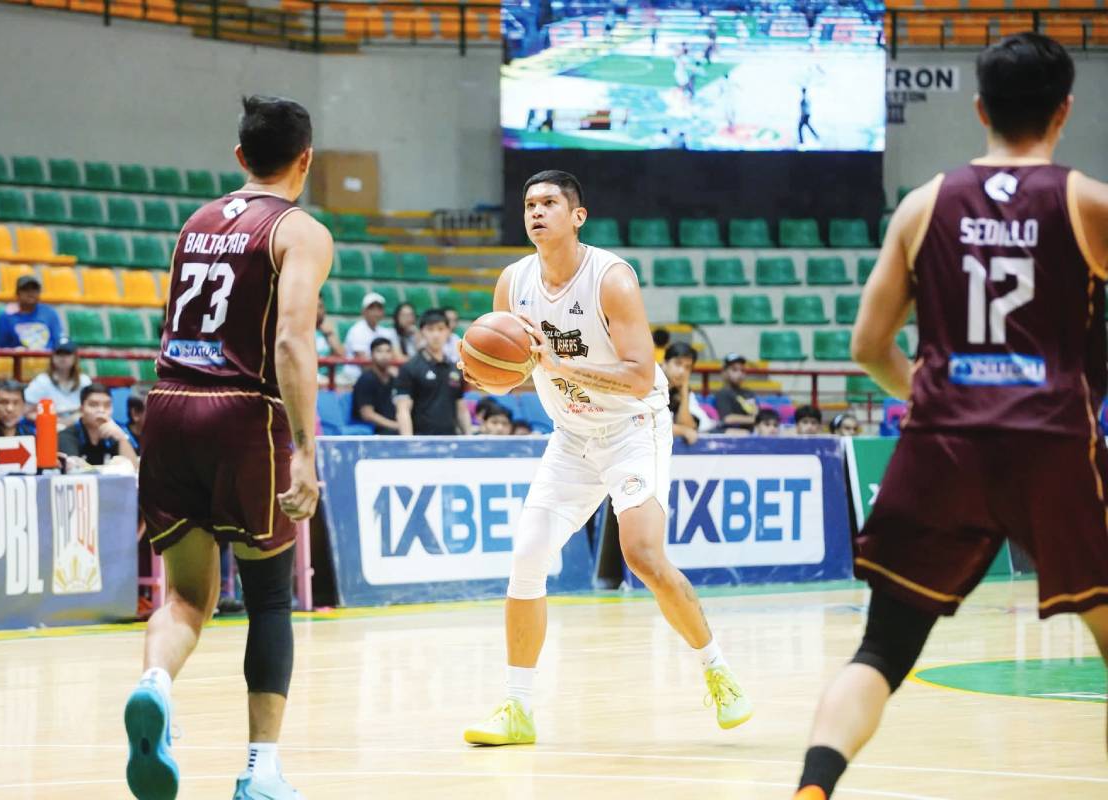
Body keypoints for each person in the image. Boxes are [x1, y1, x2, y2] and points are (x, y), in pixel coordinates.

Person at [793, 34, 1108, 800]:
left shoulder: (922, 203)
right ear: (1066, 109)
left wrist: (930, 398)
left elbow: (868, 345)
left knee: (882, 650)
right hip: (1052, 444)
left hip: (942, 448)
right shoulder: (1089, 202)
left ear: (979, 109)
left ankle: (812, 789)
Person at [461, 170, 750, 746]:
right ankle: (516, 708)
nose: (536, 212)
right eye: (529, 204)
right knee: (527, 555)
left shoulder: (610, 278)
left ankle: (717, 669)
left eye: (549, 203)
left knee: (643, 555)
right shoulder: (512, 283)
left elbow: (643, 373)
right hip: (570, 435)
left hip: (632, 426)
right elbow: (520, 370)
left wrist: (561, 367)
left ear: (578, 216)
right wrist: (488, 378)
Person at [126, 95, 332, 800]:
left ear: (240, 156)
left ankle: (154, 684)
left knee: (185, 594)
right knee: (272, 597)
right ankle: (260, 773)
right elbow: (290, 341)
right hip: (243, 414)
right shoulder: (299, 230)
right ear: (305, 158)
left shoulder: (196, 222)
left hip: (167, 406)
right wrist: (305, 448)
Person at [394, 309, 471, 436]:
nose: (436, 334)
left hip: (451, 439)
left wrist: (469, 436)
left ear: (448, 331)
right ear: (422, 332)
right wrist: (408, 442)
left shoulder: (455, 368)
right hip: (421, 440)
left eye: (441, 329)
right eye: (430, 329)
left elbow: (460, 406)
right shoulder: (410, 368)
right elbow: (403, 409)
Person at [58, 383, 139, 470]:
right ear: (81, 410)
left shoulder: (117, 432)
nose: (101, 410)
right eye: (93, 405)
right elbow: (73, 468)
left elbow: (134, 469)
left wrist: (122, 438)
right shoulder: (66, 436)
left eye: (107, 405)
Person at [24, 338, 91, 425]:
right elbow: (27, 412)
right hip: (50, 426)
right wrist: (52, 421)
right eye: (59, 354)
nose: (63, 358)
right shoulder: (42, 381)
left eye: (67, 354)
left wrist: (73, 419)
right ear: (52, 357)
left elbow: (91, 408)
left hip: (78, 424)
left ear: (75, 357)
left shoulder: (84, 381)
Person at [0, 274, 64, 350]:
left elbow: (57, 341)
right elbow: (3, 347)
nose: (30, 293)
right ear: (17, 294)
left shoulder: (50, 314)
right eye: (25, 289)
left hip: (46, 359)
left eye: (34, 289)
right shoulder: (6, 316)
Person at [662, 342, 712, 443]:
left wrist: (684, 391)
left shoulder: (681, 391)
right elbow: (647, 426)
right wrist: (682, 431)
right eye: (678, 363)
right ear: (664, 363)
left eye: (687, 367)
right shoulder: (649, 385)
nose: (682, 371)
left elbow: (688, 426)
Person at [351, 337, 399, 434]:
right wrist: (396, 426)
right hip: (373, 430)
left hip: (391, 428)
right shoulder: (366, 379)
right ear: (372, 355)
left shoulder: (395, 378)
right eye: (379, 351)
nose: (384, 355)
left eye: (388, 351)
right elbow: (367, 414)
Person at [712, 353, 758, 431]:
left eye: (742, 370)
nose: (739, 373)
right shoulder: (723, 393)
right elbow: (727, 418)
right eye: (734, 370)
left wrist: (756, 417)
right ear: (724, 372)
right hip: (732, 432)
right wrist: (754, 419)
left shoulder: (748, 392)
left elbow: (756, 412)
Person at [314, 294, 343, 381]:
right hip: (314, 375)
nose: (319, 311)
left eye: (321, 306)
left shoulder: (329, 330)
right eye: (316, 306)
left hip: (333, 374)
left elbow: (341, 354)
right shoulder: (303, 331)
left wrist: (330, 334)